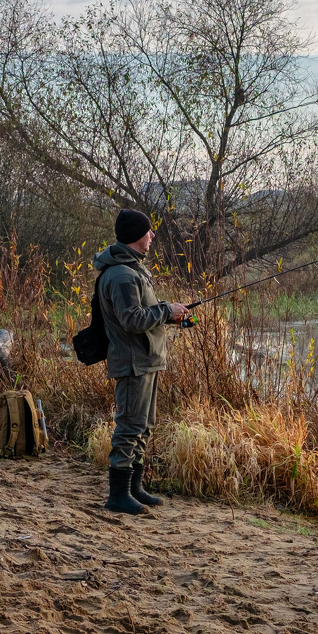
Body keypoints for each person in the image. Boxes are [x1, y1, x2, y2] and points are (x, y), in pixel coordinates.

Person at [92, 209, 191, 515]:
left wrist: (172, 314)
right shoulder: (122, 275)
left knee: (143, 426)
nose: (152, 235)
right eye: (149, 231)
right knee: (129, 427)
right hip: (133, 362)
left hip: (147, 360)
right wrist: (166, 311)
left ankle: (134, 488)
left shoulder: (133, 268)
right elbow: (131, 319)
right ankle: (118, 495)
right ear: (137, 235)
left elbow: (143, 312)